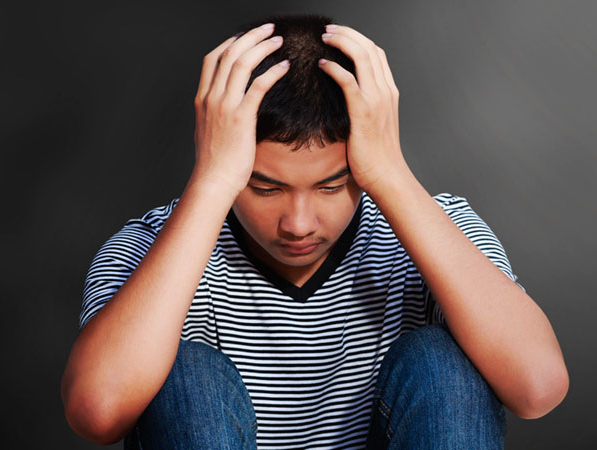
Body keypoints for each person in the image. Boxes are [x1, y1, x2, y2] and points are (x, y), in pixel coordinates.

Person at [60, 13, 569, 450]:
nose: (298, 223)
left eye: (331, 186)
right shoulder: (153, 246)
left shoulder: (436, 228)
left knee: (442, 363)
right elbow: (98, 412)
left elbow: (537, 387)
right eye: (264, 187)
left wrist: (391, 174)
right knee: (183, 375)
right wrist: (211, 183)